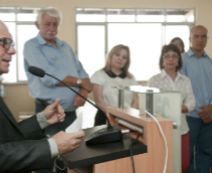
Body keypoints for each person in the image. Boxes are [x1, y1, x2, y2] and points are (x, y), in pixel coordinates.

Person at [0, 16, 85, 173]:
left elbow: (2, 136)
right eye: (4, 42)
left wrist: (42, 119)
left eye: (11, 44)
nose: (13, 50)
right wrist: (53, 146)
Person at [24, 6, 93, 173]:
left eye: (55, 24)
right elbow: (50, 78)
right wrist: (80, 83)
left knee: (69, 158)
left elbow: (84, 76)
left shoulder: (65, 46)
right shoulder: (32, 46)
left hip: (71, 113)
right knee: (46, 159)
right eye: (47, 24)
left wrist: (83, 92)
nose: (52, 28)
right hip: (49, 113)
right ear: (37, 24)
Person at [148, 44, 196, 173]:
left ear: (178, 60)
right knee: (163, 164)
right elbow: (149, 106)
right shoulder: (154, 81)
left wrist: (175, 107)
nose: (171, 59)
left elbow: (191, 103)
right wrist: (176, 107)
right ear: (162, 59)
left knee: (183, 165)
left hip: (182, 129)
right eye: (167, 56)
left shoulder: (185, 80)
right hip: (160, 130)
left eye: (174, 56)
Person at [180, 25, 212, 173]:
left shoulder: (210, 62)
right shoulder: (182, 61)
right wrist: (202, 110)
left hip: (209, 117)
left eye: (203, 36)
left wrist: (210, 107)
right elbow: (182, 90)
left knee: (206, 153)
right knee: (186, 157)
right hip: (190, 117)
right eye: (196, 36)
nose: (200, 40)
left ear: (207, 38)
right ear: (190, 39)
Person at [91, 44, 138, 126]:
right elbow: (99, 101)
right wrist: (115, 116)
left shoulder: (131, 78)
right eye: (117, 54)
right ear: (111, 55)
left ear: (127, 61)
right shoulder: (99, 75)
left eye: (124, 57)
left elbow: (136, 100)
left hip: (127, 120)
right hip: (105, 118)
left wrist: (129, 117)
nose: (120, 58)